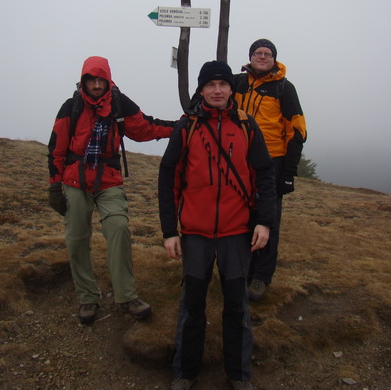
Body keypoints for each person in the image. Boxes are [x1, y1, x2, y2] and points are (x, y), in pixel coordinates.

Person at [159, 61, 277, 390]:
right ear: (201, 89)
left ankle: (239, 375)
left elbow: (265, 175)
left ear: (230, 89)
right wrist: (170, 230)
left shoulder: (246, 125)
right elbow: (168, 176)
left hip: (237, 232)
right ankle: (185, 371)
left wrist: (265, 222)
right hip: (195, 233)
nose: (217, 90)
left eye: (222, 84)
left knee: (237, 304)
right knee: (192, 303)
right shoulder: (187, 127)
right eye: (210, 85)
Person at [47, 55, 174, 324]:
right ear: (83, 81)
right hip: (74, 181)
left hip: (108, 180)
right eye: (91, 80)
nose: (95, 85)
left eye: (100, 80)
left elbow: (145, 128)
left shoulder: (119, 104)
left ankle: (127, 296)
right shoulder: (71, 107)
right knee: (77, 238)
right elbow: (56, 148)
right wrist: (54, 187)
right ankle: (87, 298)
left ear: (108, 80)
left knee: (118, 228)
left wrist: (179, 127)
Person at [233, 39, 307, 301]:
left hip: (272, 162)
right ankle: (243, 269)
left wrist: (288, 173)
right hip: (239, 159)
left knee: (267, 218)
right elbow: (212, 89)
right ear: (250, 56)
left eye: (267, 53)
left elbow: (297, 131)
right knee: (241, 216)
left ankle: (261, 277)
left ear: (274, 59)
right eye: (257, 52)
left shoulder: (284, 88)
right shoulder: (238, 83)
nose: (262, 56)